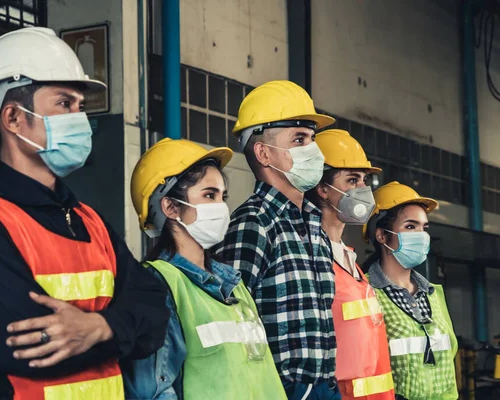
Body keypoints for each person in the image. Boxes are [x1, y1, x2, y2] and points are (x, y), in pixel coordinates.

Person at [0, 27, 169, 399]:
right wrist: (121, 329)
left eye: (80, 107)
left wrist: (99, 328)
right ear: (13, 118)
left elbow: (156, 313)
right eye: (64, 104)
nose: (80, 119)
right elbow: (27, 347)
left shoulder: (90, 220)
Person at [124, 138, 287, 399]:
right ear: (171, 207)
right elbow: (153, 389)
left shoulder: (235, 285)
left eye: (223, 196)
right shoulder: (158, 285)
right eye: (209, 195)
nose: (221, 207)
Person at [214, 80, 340, 400]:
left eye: (312, 139)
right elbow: (233, 326)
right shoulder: (252, 225)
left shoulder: (314, 225)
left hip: (324, 387)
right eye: (299, 139)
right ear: (263, 153)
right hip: (278, 391)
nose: (313, 150)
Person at [304, 130, 395, 400]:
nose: (363, 189)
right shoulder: (309, 259)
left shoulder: (349, 259)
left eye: (365, 180)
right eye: (352, 179)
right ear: (322, 189)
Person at [362, 182, 458, 400]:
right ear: (381, 236)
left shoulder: (433, 294)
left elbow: (449, 369)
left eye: (424, 228)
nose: (421, 235)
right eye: (410, 226)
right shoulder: (365, 293)